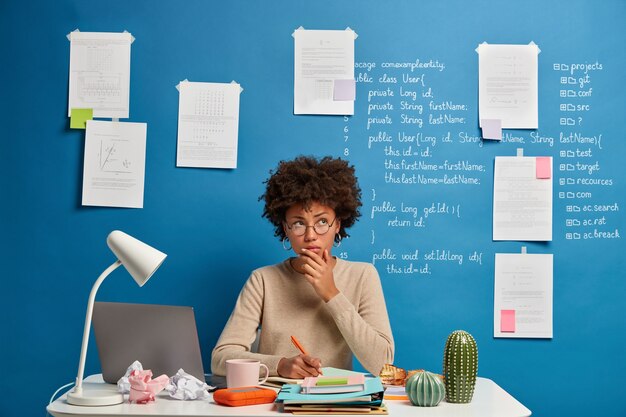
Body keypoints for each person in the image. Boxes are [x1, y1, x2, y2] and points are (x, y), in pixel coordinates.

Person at [211, 156, 394, 378]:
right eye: (298, 223)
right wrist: (279, 365)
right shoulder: (263, 280)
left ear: (338, 224)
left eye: (322, 222)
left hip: (336, 401)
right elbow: (220, 359)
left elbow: (382, 365)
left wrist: (331, 293)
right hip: (275, 405)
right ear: (285, 228)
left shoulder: (362, 275)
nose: (310, 235)